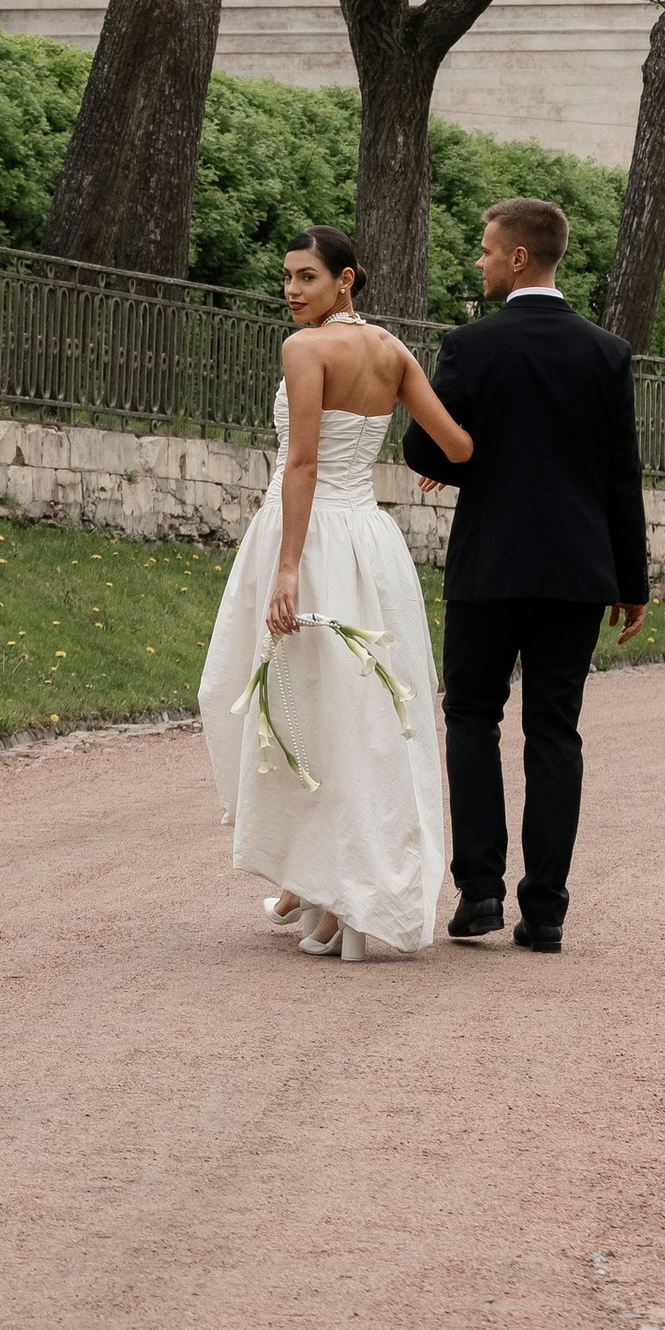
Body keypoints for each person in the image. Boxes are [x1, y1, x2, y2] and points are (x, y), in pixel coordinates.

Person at [198, 225, 474, 960]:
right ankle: (326, 889)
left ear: (346, 280)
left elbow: (302, 465)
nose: (291, 290)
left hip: (311, 538)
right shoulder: (391, 351)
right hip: (371, 544)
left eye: (307, 278)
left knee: (294, 705)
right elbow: (458, 446)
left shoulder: (305, 349)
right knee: (357, 713)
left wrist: (287, 569)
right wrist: (428, 469)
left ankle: (319, 882)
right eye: (287, 277)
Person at [401, 197, 649, 953]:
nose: (477, 261)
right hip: (578, 571)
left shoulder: (470, 347)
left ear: (516, 258)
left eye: (484, 251)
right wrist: (630, 579)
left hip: (489, 568)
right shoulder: (605, 353)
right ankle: (545, 910)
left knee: (472, 719)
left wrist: (460, 465)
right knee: (554, 730)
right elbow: (620, 476)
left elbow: (423, 449)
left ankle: (479, 892)